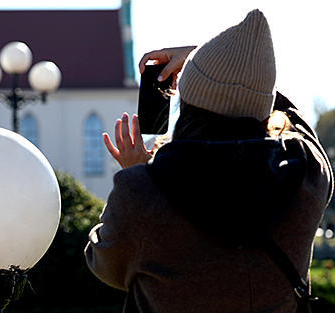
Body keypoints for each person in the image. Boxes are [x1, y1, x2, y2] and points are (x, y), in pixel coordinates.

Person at [84, 9, 333, 313]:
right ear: (263, 108)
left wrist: (135, 173)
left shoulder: (143, 191)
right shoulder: (305, 173)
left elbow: (104, 263)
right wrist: (226, 72)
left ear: (187, 101)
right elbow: (295, 119)